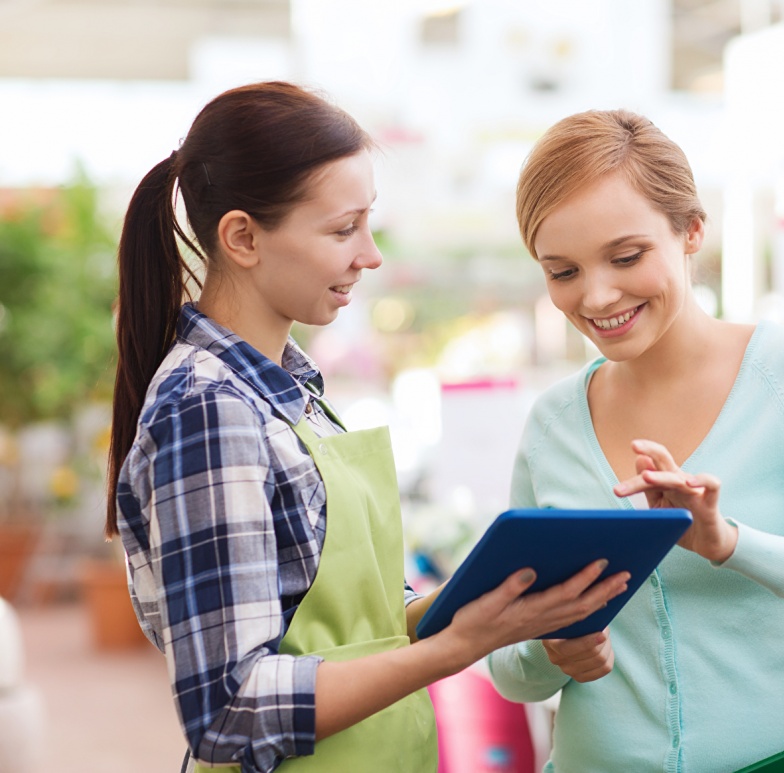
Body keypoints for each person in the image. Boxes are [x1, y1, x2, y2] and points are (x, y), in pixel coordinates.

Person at [106, 81, 630, 773]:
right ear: (242, 237)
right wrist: (454, 647)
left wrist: (496, 601)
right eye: (341, 228)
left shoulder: (291, 389)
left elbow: (355, 626)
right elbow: (230, 709)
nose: (371, 253)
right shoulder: (209, 408)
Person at [486, 109, 784, 772]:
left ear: (692, 230)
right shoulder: (553, 424)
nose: (596, 295)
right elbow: (511, 669)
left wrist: (730, 543)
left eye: (626, 256)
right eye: (562, 272)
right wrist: (552, 649)